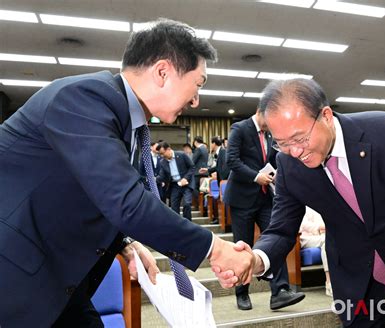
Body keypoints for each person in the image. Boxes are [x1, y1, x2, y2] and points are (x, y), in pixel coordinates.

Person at [0, 18, 254, 327]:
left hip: (55, 278)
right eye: (197, 84)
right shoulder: (83, 99)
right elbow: (126, 201)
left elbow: (92, 193)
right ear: (163, 72)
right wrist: (216, 249)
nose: (196, 99)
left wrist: (125, 243)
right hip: (15, 278)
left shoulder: (126, 122)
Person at [214, 79, 385, 327]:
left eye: (299, 138)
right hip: (354, 277)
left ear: (325, 116)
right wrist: (256, 259)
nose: (294, 152)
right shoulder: (289, 165)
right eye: (281, 143)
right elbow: (281, 230)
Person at [223, 108, 305, 311]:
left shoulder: (270, 134)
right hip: (242, 199)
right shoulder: (240, 128)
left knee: (276, 239)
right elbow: (231, 161)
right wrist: (255, 176)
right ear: (261, 112)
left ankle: (280, 292)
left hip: (264, 198)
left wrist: (274, 173)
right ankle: (242, 293)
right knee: (242, 245)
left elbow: (269, 160)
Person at [157, 141, 195, 221]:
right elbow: (162, 176)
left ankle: (188, 225)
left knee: (187, 204)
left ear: (169, 149)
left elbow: (192, 167)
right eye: (160, 154)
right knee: (174, 207)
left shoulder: (182, 155)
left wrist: (185, 178)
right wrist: (153, 179)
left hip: (186, 184)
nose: (162, 156)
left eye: (162, 153)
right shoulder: (163, 162)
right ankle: (178, 226)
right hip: (175, 186)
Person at [299, 207, 332, 297]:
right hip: (304, 237)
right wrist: (319, 227)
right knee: (327, 241)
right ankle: (329, 282)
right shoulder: (300, 199)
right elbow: (302, 224)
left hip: (320, 235)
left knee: (332, 241)